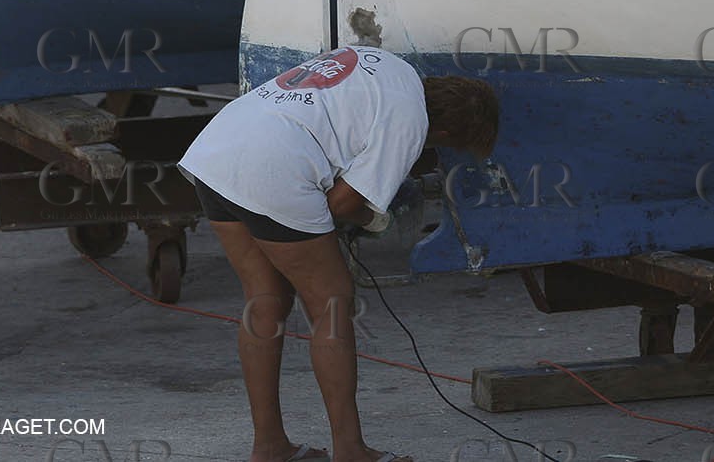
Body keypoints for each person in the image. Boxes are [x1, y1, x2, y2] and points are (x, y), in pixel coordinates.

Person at [178, 46, 499, 462]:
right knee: (332, 302)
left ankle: (270, 446)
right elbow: (344, 204)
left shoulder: (388, 65)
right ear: (444, 136)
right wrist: (377, 217)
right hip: (275, 166)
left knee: (264, 300)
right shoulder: (412, 122)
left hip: (218, 149)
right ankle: (350, 450)